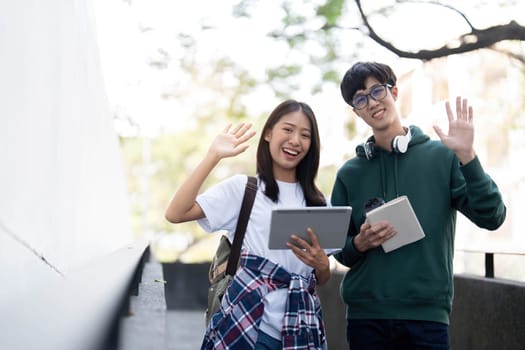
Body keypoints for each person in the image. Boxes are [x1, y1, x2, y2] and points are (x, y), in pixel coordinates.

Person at [331, 61, 507, 349]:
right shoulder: (349, 173)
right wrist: (359, 243)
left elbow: (493, 217)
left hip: (427, 318)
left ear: (395, 92)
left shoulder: (443, 157)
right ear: (356, 111)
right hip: (366, 319)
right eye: (361, 99)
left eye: (377, 91)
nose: (372, 102)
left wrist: (468, 156)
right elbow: (340, 251)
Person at [165, 99, 331, 350]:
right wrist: (213, 156)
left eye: (305, 135)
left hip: (301, 331)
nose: (295, 140)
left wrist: (322, 265)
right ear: (268, 134)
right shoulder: (244, 189)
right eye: (288, 129)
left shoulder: (319, 204)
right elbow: (176, 213)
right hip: (247, 325)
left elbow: (321, 277)